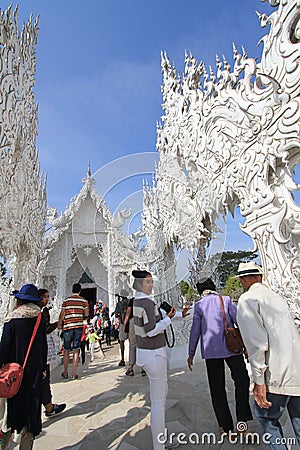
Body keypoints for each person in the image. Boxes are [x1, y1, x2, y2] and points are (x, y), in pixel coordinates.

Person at [236, 262, 300, 449]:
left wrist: (259, 381)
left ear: (244, 279)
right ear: (260, 277)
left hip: (276, 372)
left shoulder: (248, 300)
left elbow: (257, 345)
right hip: (296, 369)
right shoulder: (277, 298)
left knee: (266, 418)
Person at [187, 278, 253, 436]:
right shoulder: (226, 300)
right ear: (213, 287)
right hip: (232, 348)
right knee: (242, 381)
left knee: (217, 388)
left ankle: (225, 426)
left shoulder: (199, 305)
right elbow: (240, 321)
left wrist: (191, 353)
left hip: (211, 351)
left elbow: (195, 330)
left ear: (200, 290)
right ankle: (242, 423)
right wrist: (248, 346)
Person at [132, 269, 178, 450]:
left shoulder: (137, 301)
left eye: (152, 281)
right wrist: (168, 320)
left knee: (161, 395)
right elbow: (150, 330)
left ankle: (162, 439)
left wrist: (174, 316)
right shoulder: (147, 303)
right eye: (148, 282)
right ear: (139, 285)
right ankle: (159, 445)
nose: (151, 285)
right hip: (154, 354)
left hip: (146, 354)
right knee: (158, 404)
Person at [0, 284, 47, 448]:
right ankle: (27, 443)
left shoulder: (12, 318)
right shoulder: (39, 318)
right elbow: (43, 346)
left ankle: (7, 438)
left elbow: (4, 346)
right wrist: (43, 369)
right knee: (31, 409)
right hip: (33, 372)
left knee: (14, 410)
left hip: (14, 373)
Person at [38, 289, 66, 418]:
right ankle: (49, 407)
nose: (47, 299)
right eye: (45, 297)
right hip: (41, 351)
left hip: (37, 352)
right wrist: (57, 324)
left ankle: (48, 406)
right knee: (44, 379)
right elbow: (46, 329)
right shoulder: (42, 312)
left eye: (48, 297)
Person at [58, 283, 89, 380]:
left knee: (66, 350)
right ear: (80, 290)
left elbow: (62, 314)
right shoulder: (83, 301)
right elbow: (87, 314)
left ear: (72, 290)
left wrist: (59, 324)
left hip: (67, 327)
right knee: (76, 350)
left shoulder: (66, 300)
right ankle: (73, 373)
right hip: (78, 327)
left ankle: (65, 371)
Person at [123, 297, 146, 376]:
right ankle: (143, 368)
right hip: (142, 321)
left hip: (133, 321)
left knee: (132, 345)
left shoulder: (133, 300)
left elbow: (128, 313)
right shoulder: (144, 300)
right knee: (141, 345)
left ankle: (131, 368)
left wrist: (125, 324)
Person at [114, 291, 129, 367]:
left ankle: (122, 359)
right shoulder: (130, 301)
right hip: (130, 323)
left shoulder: (119, 303)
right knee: (133, 343)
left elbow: (116, 314)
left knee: (122, 341)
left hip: (123, 323)